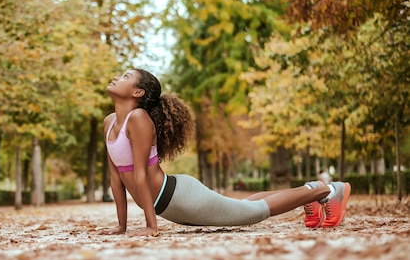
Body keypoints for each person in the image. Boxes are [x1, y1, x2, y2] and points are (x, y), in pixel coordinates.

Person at [98, 69, 351, 236]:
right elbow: (116, 179)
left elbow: (140, 176)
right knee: (241, 206)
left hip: (179, 198)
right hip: (171, 206)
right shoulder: (109, 122)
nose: (116, 77)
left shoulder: (138, 119)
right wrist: (122, 227)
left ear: (138, 92)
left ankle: (328, 191)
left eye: (125, 75)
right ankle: (309, 192)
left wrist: (150, 227)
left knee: (251, 213)